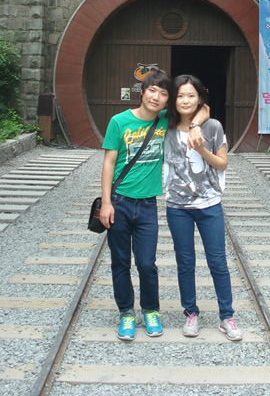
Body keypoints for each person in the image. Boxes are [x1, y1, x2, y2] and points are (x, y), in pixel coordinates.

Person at [100, 68, 208, 342]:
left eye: (163, 93)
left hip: (147, 205)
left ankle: (150, 310)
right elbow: (109, 163)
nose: (156, 97)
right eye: (152, 90)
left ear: (167, 99)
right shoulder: (118, 121)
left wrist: (195, 125)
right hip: (119, 201)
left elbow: (204, 108)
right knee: (120, 262)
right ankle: (126, 313)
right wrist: (106, 203)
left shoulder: (166, 120)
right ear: (142, 91)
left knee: (147, 263)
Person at [164, 74, 243, 341]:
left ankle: (226, 316)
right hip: (177, 206)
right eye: (180, 96)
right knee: (185, 262)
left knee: (218, 261)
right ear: (173, 99)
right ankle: (191, 313)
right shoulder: (165, 126)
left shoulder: (213, 127)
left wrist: (201, 150)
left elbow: (223, 163)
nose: (185, 101)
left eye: (191, 96)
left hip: (209, 205)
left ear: (200, 98)